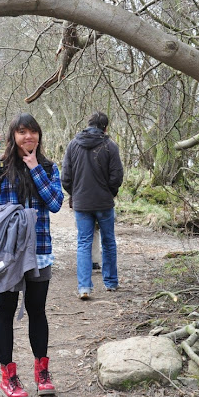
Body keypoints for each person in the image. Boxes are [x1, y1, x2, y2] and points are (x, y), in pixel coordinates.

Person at [0, 113, 63, 397]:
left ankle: (42, 373)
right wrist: (11, 217)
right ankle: (8, 376)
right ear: (13, 136)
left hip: (39, 251)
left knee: (37, 311)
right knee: (5, 311)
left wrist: (35, 168)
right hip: (7, 254)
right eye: (22, 132)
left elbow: (55, 204)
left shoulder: (48, 168)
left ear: (39, 136)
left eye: (33, 132)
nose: (29, 137)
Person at [61, 111, 123, 299]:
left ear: (88, 125)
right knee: (108, 241)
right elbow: (117, 177)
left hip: (81, 203)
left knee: (83, 243)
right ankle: (111, 283)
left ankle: (84, 288)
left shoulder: (73, 145)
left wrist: (75, 193)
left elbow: (65, 178)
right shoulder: (110, 146)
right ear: (105, 128)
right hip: (104, 203)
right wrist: (109, 193)